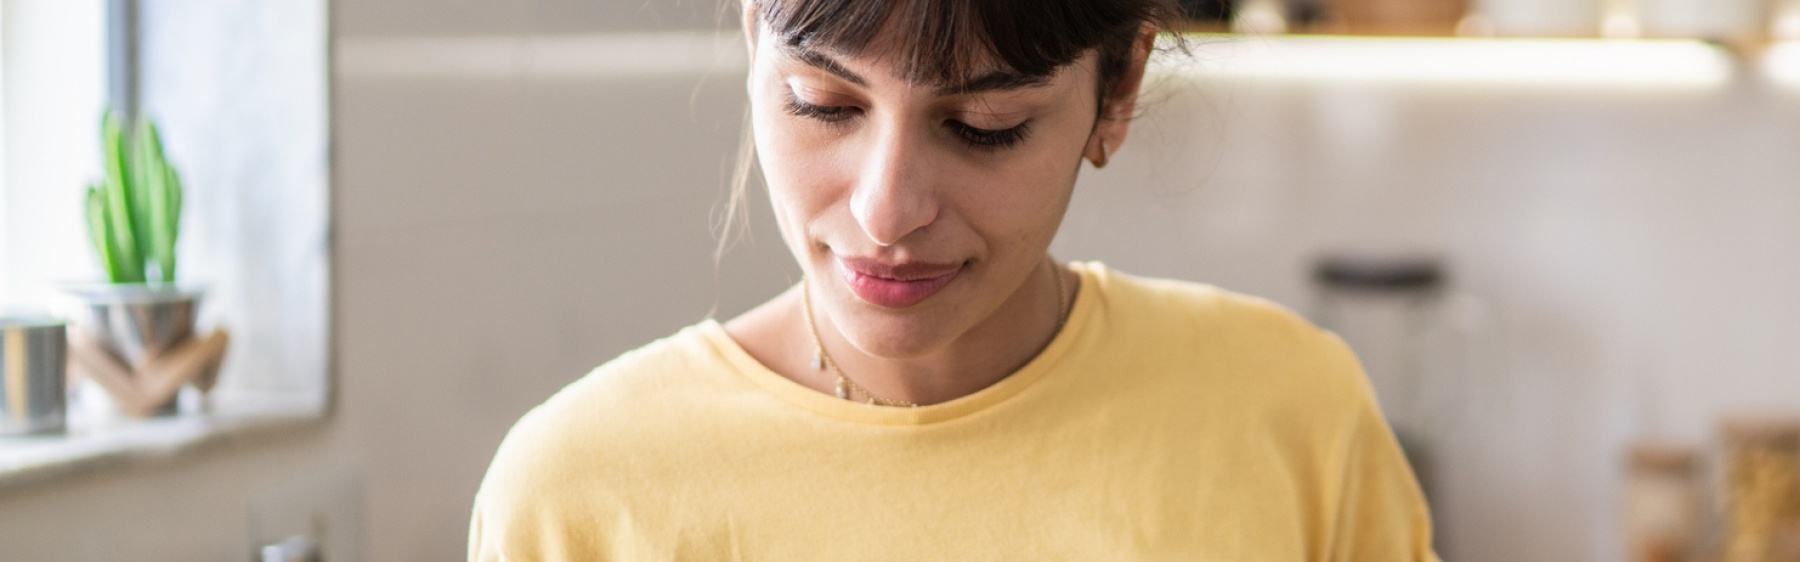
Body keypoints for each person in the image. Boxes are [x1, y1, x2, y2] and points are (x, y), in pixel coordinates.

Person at [470, 0, 1440, 559]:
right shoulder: (578, 492)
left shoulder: (1286, 409)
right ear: (751, 41)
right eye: (823, 105)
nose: (887, 212)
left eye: (985, 128)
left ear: (1121, 89)